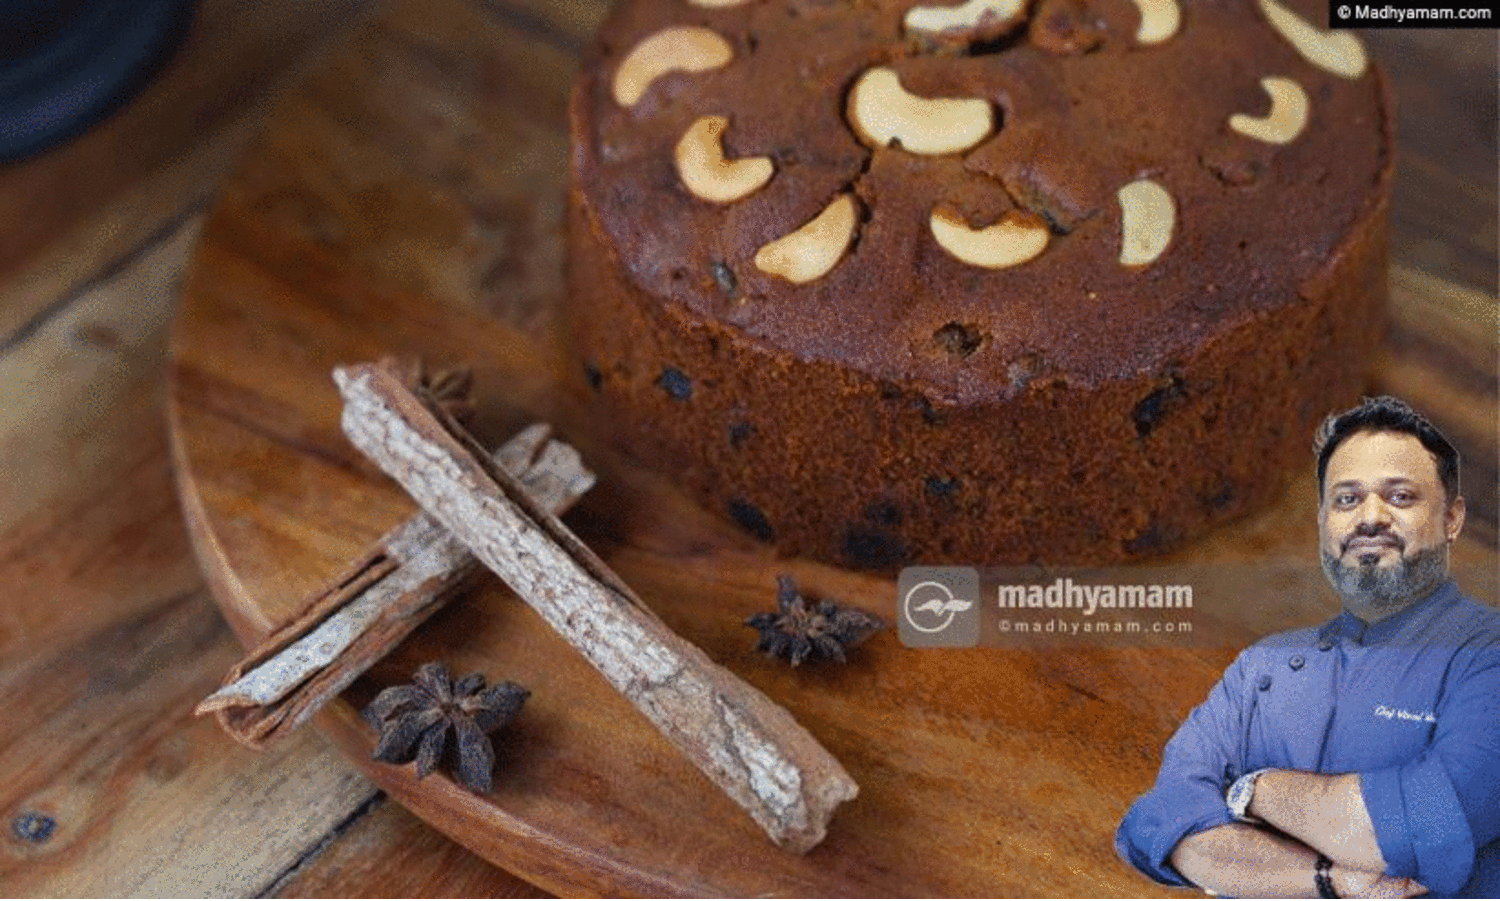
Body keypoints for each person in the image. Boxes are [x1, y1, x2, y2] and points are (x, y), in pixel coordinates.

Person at [1116, 396, 1500, 899]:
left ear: (1452, 519)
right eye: (1346, 499)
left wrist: (1253, 790)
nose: (1370, 518)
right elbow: (1162, 825)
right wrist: (1329, 880)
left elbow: (1412, 830)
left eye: (1400, 497)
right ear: (1322, 522)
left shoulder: (1486, 656)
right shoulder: (1262, 666)